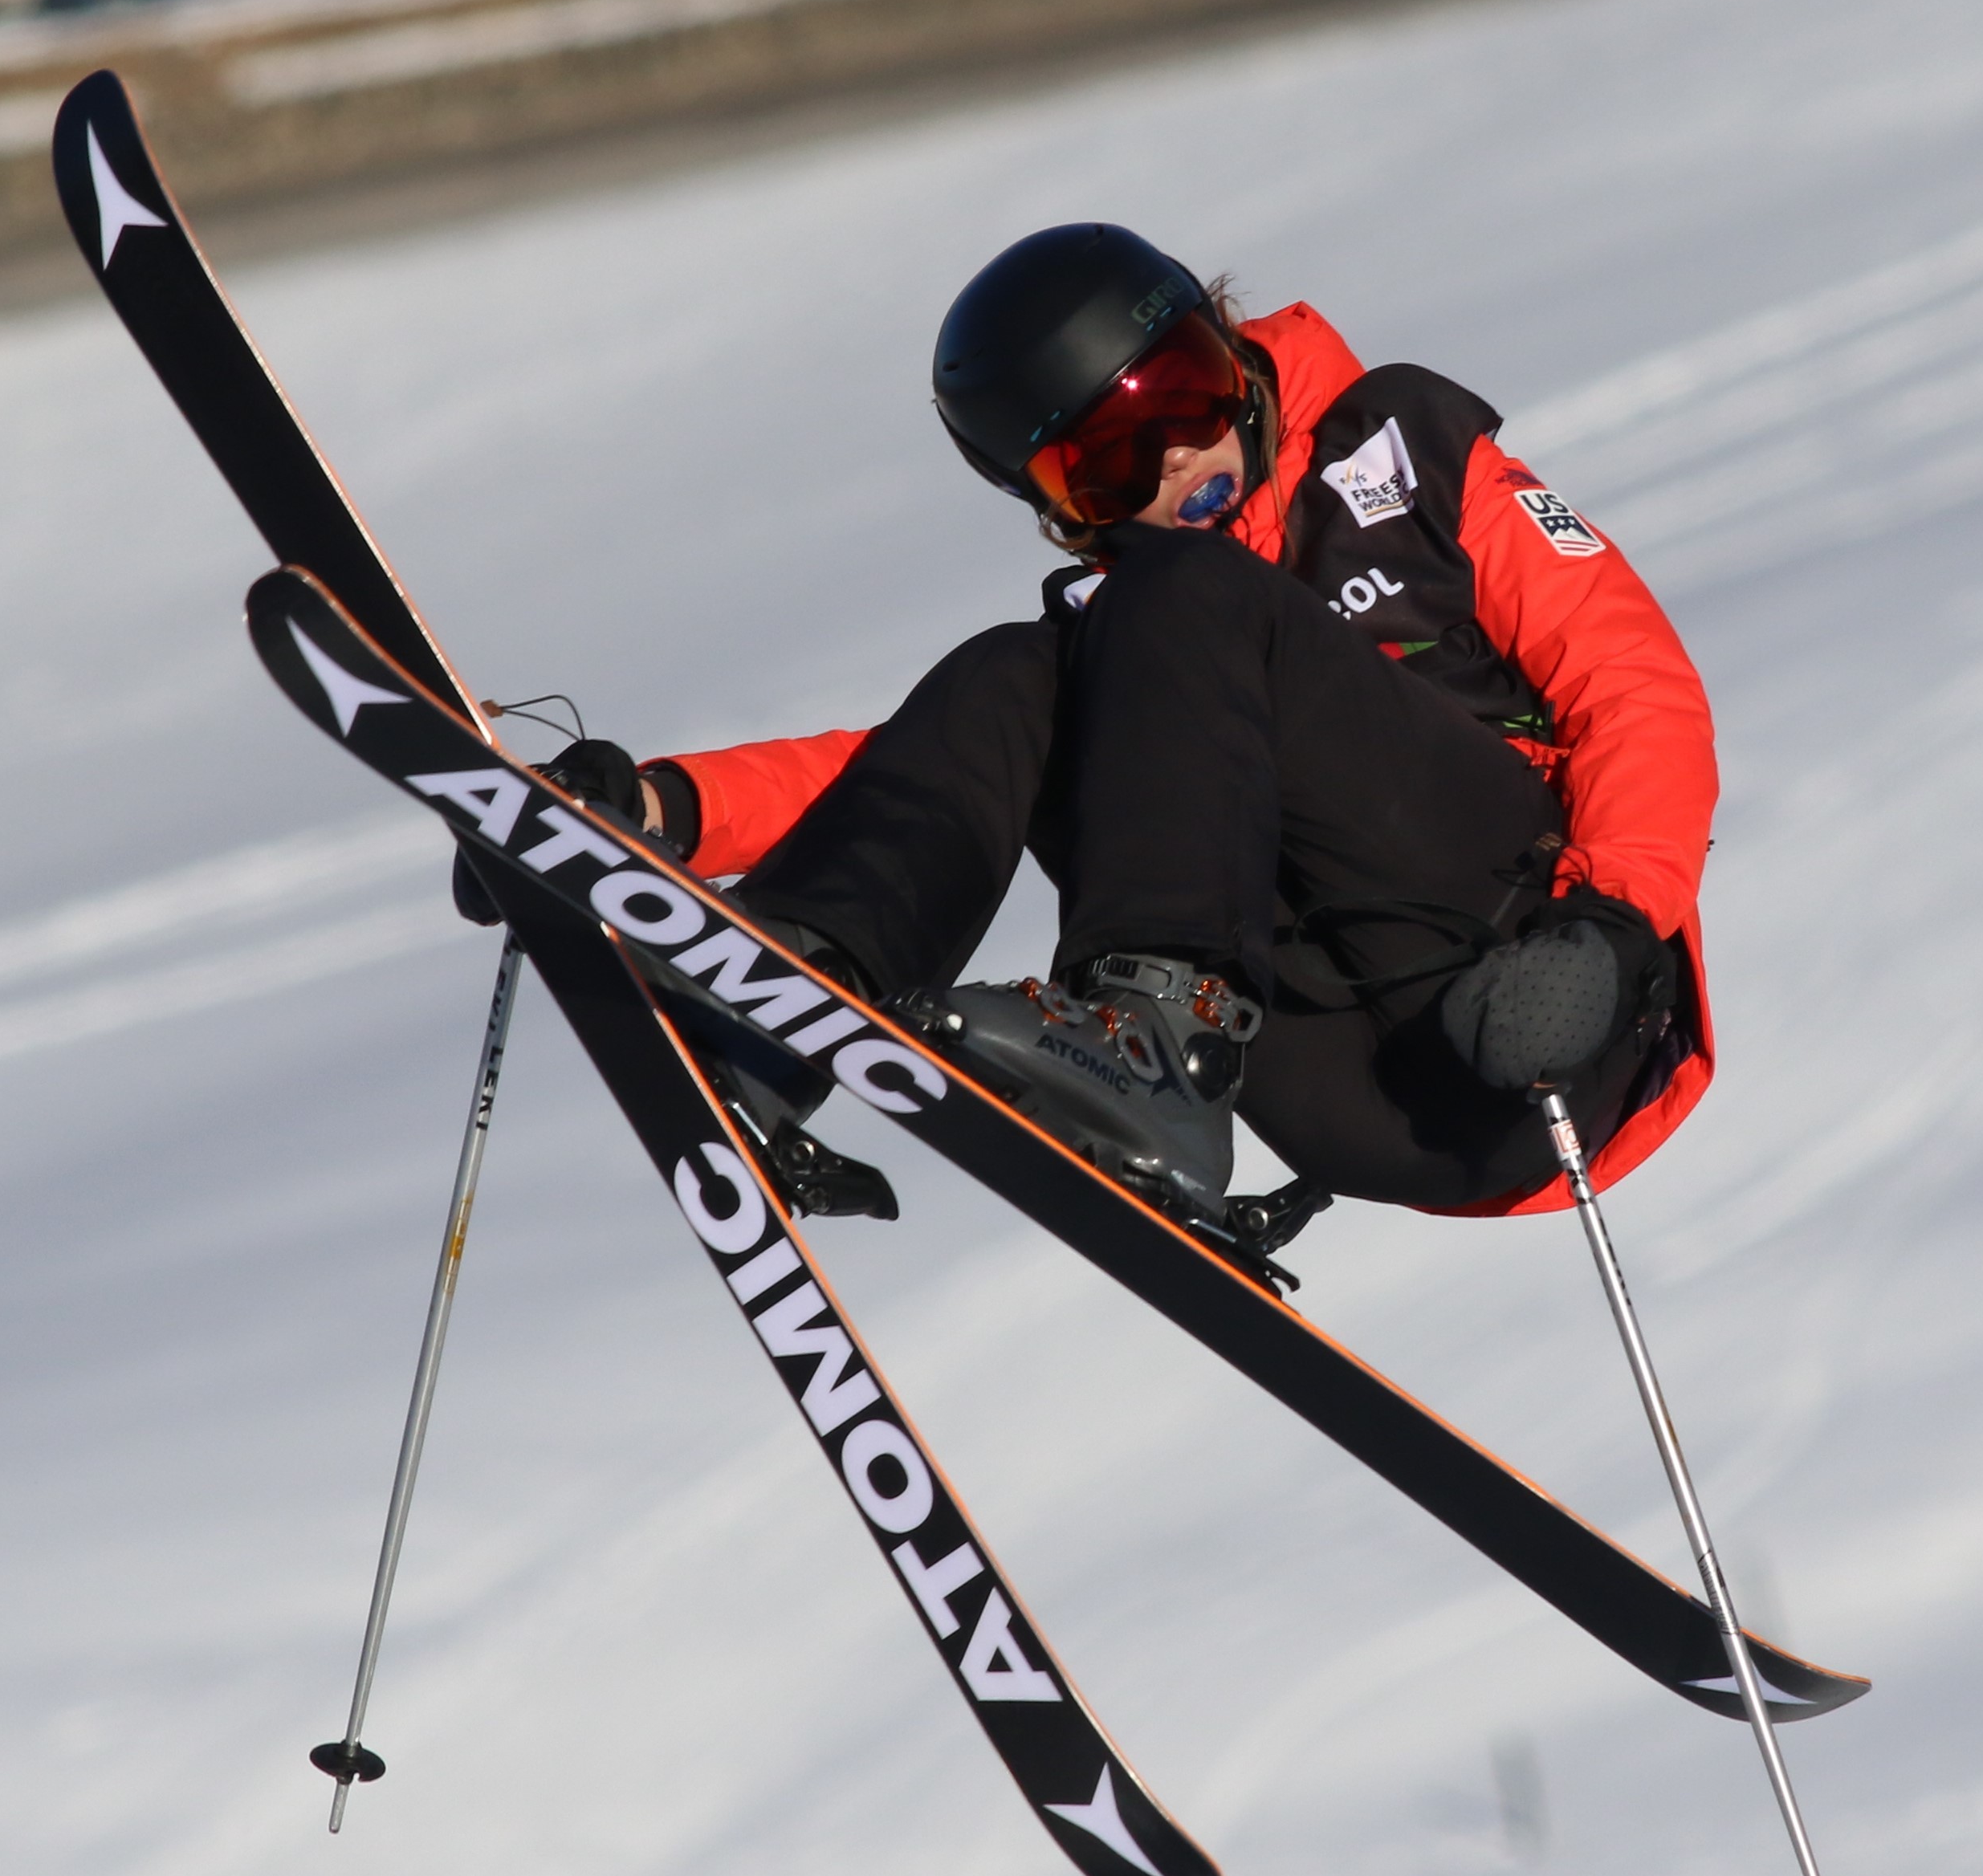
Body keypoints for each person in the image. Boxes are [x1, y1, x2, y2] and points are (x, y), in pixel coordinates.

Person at [527, 223, 1719, 1242]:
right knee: (1015, 673)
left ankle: (1160, 1033)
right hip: (1357, 1090)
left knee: (1183, 592)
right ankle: (783, 1011)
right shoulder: (1135, 624)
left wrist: (1607, 932)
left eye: (1182, 400)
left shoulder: (1399, 458)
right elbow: (903, 768)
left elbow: (1635, 683)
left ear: (1234, 355)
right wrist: (660, 810)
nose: (1177, 463)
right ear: (1055, 510)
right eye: (1107, 464)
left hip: (1540, 996)